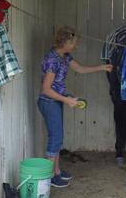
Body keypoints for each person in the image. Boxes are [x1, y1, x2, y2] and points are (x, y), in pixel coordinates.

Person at [38, 26, 112, 187]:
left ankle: (56, 171)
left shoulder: (64, 56)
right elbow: (46, 89)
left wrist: (102, 67)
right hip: (49, 101)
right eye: (73, 43)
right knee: (55, 138)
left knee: (57, 138)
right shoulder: (52, 59)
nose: (75, 46)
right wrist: (67, 100)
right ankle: (49, 176)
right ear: (65, 42)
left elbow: (80, 69)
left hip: (56, 100)